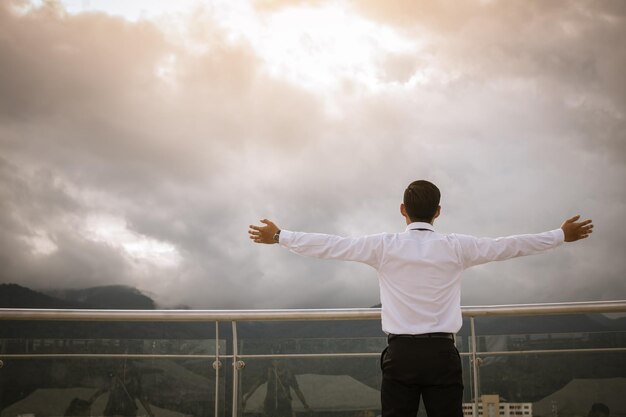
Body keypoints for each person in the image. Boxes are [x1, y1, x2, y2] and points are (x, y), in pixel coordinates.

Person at [248, 180, 594, 417]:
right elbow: (508, 245)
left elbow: (331, 245)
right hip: (443, 354)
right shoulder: (457, 247)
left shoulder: (384, 246)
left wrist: (279, 235)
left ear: (403, 210)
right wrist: (559, 235)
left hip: (401, 355)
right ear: (438, 212)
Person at [242, 357, 310, 417]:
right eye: (274, 360)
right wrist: (246, 398)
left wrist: (305, 404)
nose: (276, 362)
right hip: (270, 404)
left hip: (285, 404)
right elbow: (256, 385)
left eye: (278, 359)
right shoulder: (269, 372)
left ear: (283, 360)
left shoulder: (288, 374)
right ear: (272, 362)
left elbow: (297, 390)